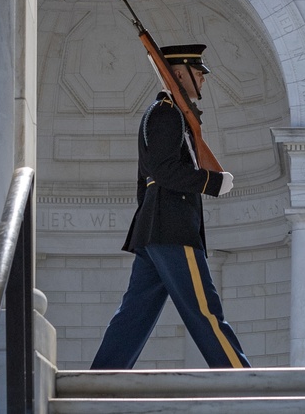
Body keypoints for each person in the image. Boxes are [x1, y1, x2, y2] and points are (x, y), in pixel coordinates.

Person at [90, 42, 250, 369]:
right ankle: (242, 378)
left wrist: (150, 221)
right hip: (173, 229)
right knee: (205, 312)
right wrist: (212, 182)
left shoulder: (167, 113)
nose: (204, 79)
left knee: (133, 316)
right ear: (179, 73)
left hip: (156, 230)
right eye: (198, 73)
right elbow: (163, 171)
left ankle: (103, 378)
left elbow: (146, 182)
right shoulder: (166, 113)